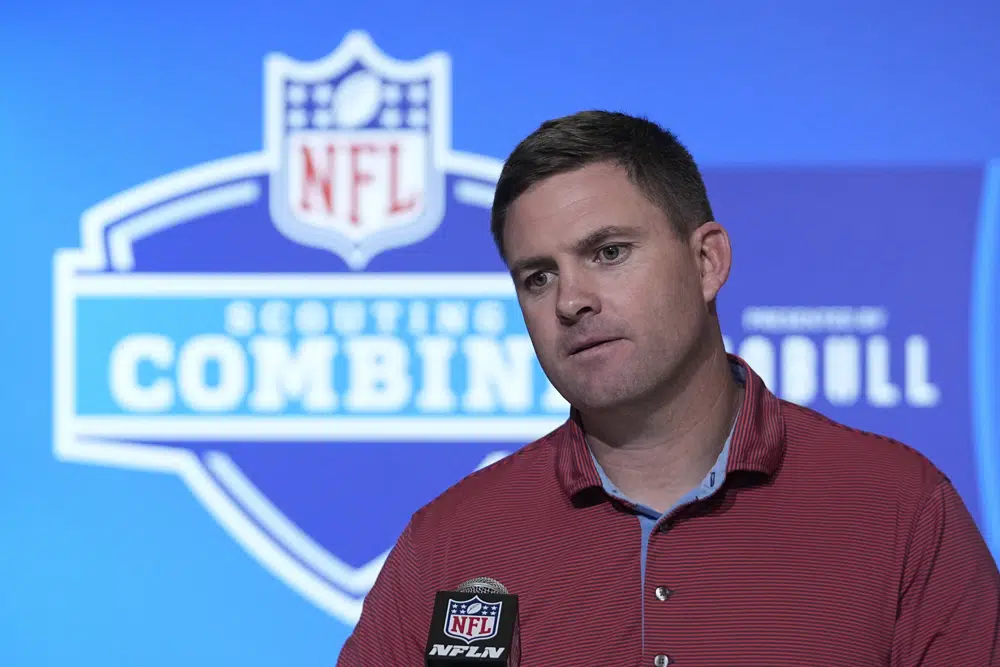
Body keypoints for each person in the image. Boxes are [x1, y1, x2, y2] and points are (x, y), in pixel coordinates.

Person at [336, 110, 1000, 666]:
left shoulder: (901, 510)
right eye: (537, 276)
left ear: (707, 261)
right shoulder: (451, 541)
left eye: (609, 252)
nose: (571, 300)